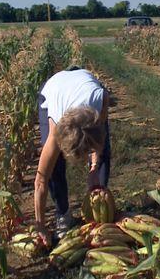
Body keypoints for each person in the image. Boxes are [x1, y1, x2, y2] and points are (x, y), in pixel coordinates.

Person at [34, 67, 111, 243]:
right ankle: (62, 213)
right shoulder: (56, 125)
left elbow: (99, 139)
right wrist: (41, 226)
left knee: (104, 150)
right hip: (53, 88)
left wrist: (94, 166)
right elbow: (40, 181)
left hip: (86, 85)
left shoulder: (100, 100)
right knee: (54, 166)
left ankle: (99, 208)